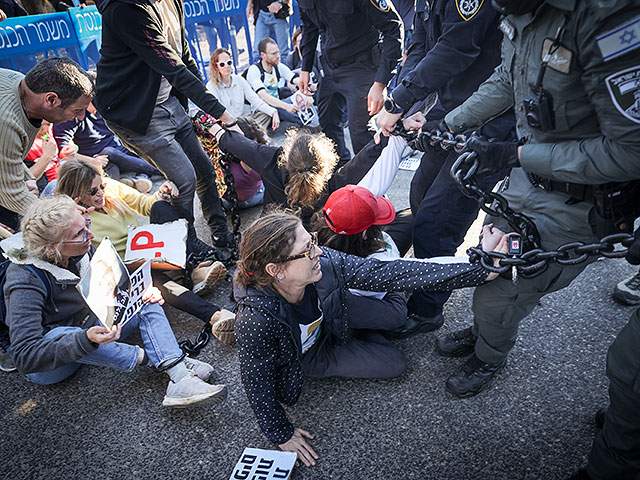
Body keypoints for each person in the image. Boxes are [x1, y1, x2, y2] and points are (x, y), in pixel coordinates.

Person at [429, 0, 640, 398]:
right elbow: (508, 79)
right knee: (491, 260)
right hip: (528, 176)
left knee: (505, 286)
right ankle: (486, 329)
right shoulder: (518, 12)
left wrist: (518, 155)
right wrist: (450, 123)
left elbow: (630, 151)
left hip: (578, 197)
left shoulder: (606, 20)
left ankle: (490, 353)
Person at [233, 209, 509, 466]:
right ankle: (360, 321)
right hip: (309, 356)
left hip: (331, 316)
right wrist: (280, 433)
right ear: (275, 270)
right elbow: (257, 382)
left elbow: (389, 272)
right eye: (307, 249)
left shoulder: (323, 263)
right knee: (393, 363)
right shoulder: (255, 320)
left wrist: (479, 269)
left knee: (391, 308)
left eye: (313, 240)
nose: (318, 251)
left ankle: (360, 319)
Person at [1, 195, 227, 407]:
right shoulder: (24, 278)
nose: (90, 235)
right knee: (60, 334)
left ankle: (177, 375)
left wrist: (140, 293)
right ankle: (167, 361)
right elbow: (25, 355)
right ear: (52, 248)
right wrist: (84, 339)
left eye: (86, 224)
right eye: (80, 233)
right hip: (53, 363)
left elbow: (115, 287)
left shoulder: (81, 246)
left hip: (91, 325)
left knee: (144, 294)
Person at [375, 0, 516, 338]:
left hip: (492, 119)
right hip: (451, 111)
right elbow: (421, 46)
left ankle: (427, 310)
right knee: (420, 194)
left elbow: (456, 48)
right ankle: (431, 274)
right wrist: (402, 101)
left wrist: (397, 102)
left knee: (438, 218)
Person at [94, 0, 239, 249]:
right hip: (135, 110)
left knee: (204, 169)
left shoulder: (172, 2)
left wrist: (206, 108)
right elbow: (172, 67)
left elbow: (184, 58)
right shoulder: (124, 9)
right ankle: (186, 244)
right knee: (184, 179)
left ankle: (219, 231)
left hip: (169, 101)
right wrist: (224, 115)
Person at [54, 158, 236, 346]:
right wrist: (84, 221)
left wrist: (162, 193)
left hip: (147, 247)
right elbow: (86, 259)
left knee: (161, 208)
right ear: (76, 196)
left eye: (101, 186)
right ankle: (215, 314)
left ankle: (190, 270)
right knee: (154, 277)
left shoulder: (110, 188)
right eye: (93, 191)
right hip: (127, 270)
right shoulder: (73, 222)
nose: (101, 193)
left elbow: (145, 204)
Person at [298, 0, 403, 165]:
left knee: (360, 132)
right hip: (329, 66)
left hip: (361, 66)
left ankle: (372, 186)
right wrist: (305, 68)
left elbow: (393, 28)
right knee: (327, 124)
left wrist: (381, 83)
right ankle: (341, 174)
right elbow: (309, 26)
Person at [0, 57, 93, 232]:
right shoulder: (7, 121)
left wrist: (27, 178)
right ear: (51, 99)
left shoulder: (22, 87)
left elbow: (6, 156)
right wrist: (63, 214)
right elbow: (11, 194)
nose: (81, 117)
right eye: (77, 110)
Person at [311, 185, 408, 334]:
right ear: (364, 233)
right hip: (356, 299)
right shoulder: (378, 263)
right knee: (398, 313)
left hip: (340, 290)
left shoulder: (315, 240)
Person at [53, 102, 163, 192]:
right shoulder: (71, 117)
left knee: (138, 147)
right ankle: (159, 171)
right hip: (98, 158)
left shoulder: (104, 109)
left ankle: (138, 179)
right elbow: (65, 154)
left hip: (117, 151)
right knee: (109, 155)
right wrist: (93, 161)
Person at [206, 48, 280, 131]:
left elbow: (256, 101)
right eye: (222, 64)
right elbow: (216, 114)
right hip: (226, 125)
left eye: (229, 62)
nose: (226, 66)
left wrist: (274, 112)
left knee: (266, 114)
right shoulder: (211, 86)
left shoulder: (239, 80)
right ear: (216, 66)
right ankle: (251, 135)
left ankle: (250, 134)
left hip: (243, 120)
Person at [245, 37, 311, 126]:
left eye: (278, 52)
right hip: (263, 109)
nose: (278, 56)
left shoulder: (277, 66)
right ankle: (307, 125)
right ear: (263, 55)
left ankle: (306, 117)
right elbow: (263, 96)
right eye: (274, 54)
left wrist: (306, 92)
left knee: (288, 92)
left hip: (277, 102)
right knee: (292, 115)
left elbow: (295, 79)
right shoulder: (254, 70)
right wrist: (286, 106)